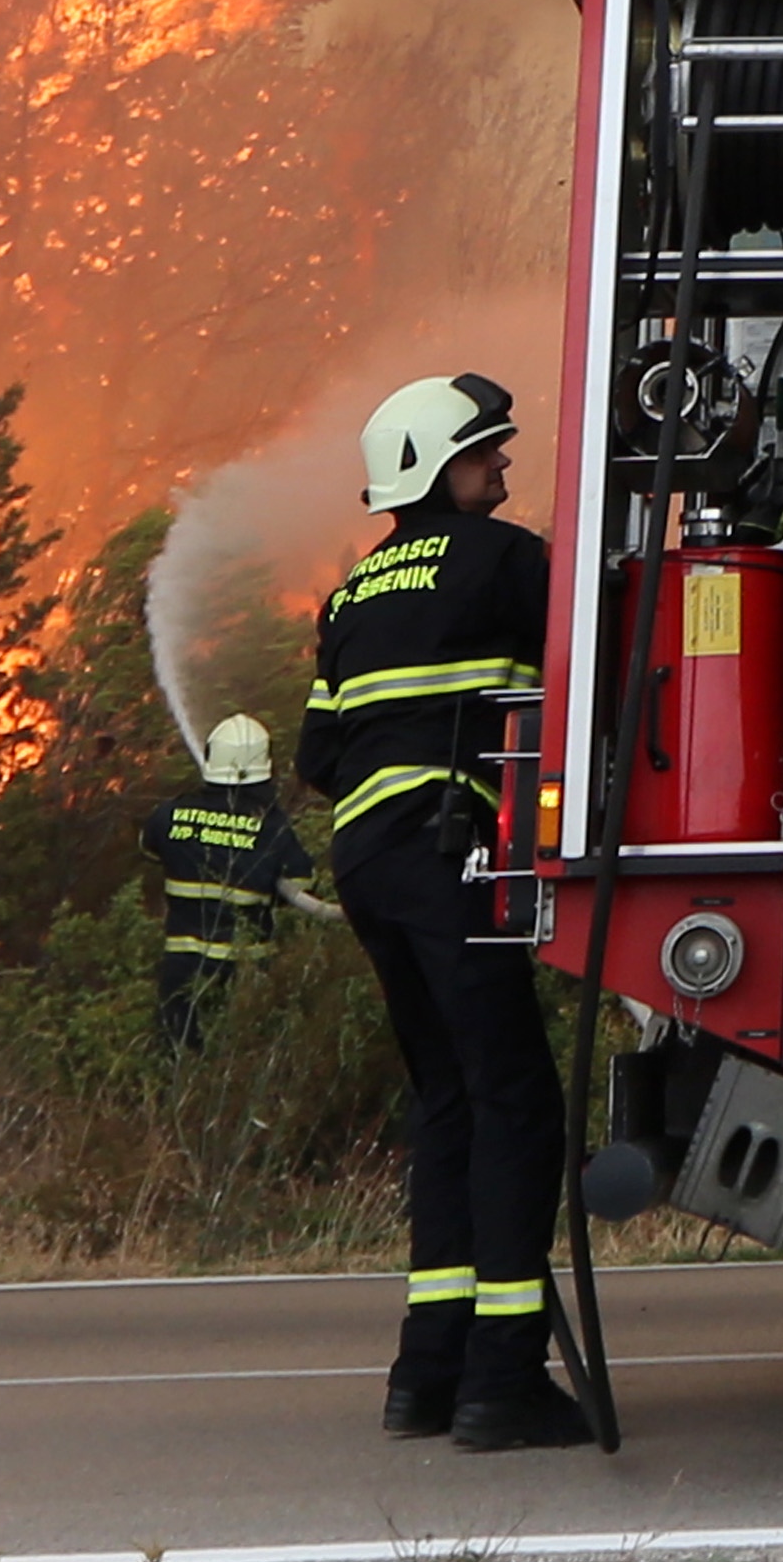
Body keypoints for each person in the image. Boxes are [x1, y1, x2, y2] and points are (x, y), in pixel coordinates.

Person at [297, 372, 589, 1453]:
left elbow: (318, 753)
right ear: (432, 466)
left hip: (369, 864)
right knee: (516, 1101)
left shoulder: (351, 592)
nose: (503, 472)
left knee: (450, 1101)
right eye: (487, 456)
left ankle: (425, 1376)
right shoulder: (503, 559)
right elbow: (595, 656)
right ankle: (503, 1383)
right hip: (447, 851)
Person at [136, 714, 328, 1055]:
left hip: (182, 969)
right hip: (245, 972)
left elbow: (149, 847)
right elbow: (301, 881)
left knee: (177, 1058)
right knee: (240, 1058)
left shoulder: (170, 815)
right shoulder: (272, 829)